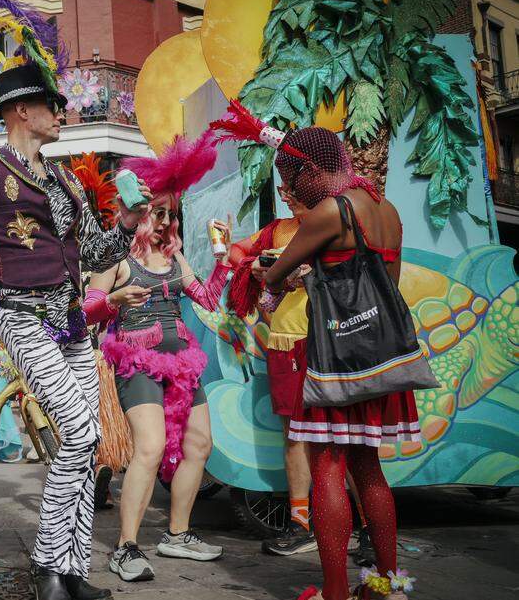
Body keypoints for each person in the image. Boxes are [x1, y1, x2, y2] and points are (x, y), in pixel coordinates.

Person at [0, 0, 148, 600]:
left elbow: (92, 253)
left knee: (82, 451)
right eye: (52, 106)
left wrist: (129, 227)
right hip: (21, 319)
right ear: (23, 110)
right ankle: (46, 566)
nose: (61, 113)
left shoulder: (63, 181)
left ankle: (72, 572)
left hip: (72, 326)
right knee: (82, 432)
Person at [215, 105, 418, 600]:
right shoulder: (385, 211)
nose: (292, 187)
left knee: (328, 464)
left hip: (333, 358)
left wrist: (272, 275)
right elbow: (383, 283)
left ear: (310, 171)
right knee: (368, 466)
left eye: (292, 176)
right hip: (379, 356)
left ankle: (334, 592)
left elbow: (277, 273)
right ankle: (385, 585)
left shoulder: (332, 211)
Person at [85, 133, 230, 583]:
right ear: (143, 212)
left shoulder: (176, 256)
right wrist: (115, 300)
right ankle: (125, 547)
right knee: (147, 449)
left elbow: (204, 296)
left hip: (182, 360)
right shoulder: (120, 257)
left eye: (171, 213)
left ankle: (178, 535)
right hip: (137, 361)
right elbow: (86, 306)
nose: (167, 221)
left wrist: (223, 259)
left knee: (199, 446)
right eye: (159, 212)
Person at [228, 188, 319, 557]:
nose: (288, 193)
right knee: (295, 434)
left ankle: (363, 529)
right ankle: (301, 524)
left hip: (328, 340)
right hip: (284, 342)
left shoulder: (330, 221)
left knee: (342, 433)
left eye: (294, 184)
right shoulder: (278, 230)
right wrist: (256, 267)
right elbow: (236, 251)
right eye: (283, 186)